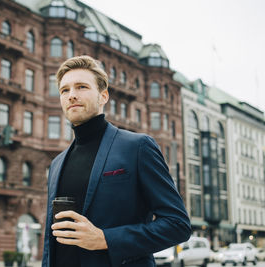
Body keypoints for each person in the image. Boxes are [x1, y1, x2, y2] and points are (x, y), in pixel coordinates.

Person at [42, 55, 191, 267]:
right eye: (64, 90)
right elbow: (52, 243)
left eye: (82, 87)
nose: (72, 95)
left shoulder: (137, 147)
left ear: (103, 96)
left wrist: (106, 239)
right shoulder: (56, 163)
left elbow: (178, 225)